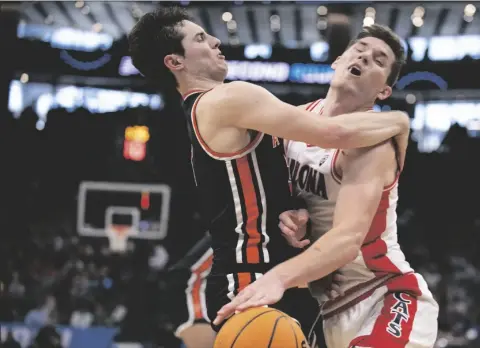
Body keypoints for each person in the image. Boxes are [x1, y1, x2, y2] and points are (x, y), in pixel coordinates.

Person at [128, 7, 410, 348]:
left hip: (271, 275)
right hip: (251, 276)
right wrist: (399, 123)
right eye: (200, 38)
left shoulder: (209, 107)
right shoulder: (229, 98)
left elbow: (266, 187)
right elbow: (332, 133)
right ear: (175, 62)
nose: (216, 40)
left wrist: (294, 213)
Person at [214, 25, 439, 348]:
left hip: (381, 293)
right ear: (337, 61)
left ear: (384, 92)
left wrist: (278, 277)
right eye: (360, 47)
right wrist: (289, 216)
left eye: (379, 60)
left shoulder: (373, 144)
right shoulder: (294, 121)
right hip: (323, 308)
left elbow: (348, 239)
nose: (365, 55)